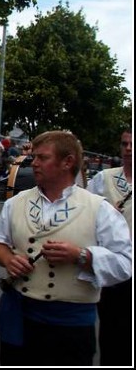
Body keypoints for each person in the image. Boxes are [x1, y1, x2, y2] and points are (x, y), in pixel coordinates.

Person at [0, 130, 131, 366]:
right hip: (20, 316)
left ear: (67, 162)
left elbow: (125, 263)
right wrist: (8, 259)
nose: (35, 164)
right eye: (34, 158)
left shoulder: (98, 208)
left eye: (43, 158)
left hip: (71, 326)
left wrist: (81, 255)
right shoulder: (16, 203)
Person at [86, 128, 132, 366]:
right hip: (114, 263)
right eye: (124, 144)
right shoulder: (104, 178)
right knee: (112, 329)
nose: (128, 149)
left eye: (132, 144)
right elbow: (84, 211)